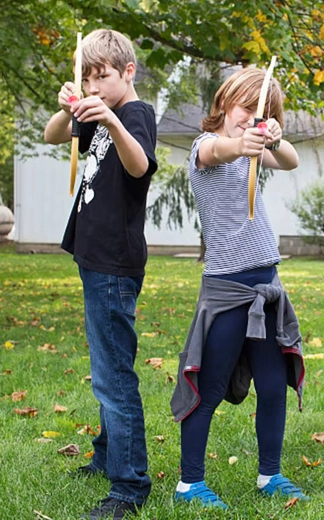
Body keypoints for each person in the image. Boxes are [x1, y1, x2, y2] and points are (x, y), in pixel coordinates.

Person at [170, 66, 307, 510]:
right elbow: (217, 150)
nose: (252, 118)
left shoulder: (255, 149)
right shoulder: (205, 148)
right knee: (209, 389)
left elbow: (291, 161)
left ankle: (270, 475)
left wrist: (274, 139)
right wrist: (242, 142)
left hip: (266, 286)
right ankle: (190, 484)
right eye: (245, 108)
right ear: (224, 104)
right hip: (227, 289)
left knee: (272, 386)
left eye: (262, 112)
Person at [44, 29, 157, 520]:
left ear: (128, 72)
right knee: (110, 364)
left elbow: (139, 167)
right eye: (86, 79)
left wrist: (110, 118)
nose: (93, 87)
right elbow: (52, 135)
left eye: (102, 77)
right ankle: (107, 456)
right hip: (95, 259)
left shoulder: (134, 114)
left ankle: (129, 486)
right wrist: (68, 107)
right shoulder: (96, 110)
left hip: (114, 263)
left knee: (114, 378)